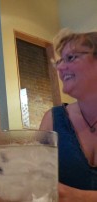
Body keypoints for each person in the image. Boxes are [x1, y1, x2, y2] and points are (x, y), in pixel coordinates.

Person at [40, 29, 97, 201]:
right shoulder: (52, 119)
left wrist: (75, 196)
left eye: (71, 58)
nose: (61, 68)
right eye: (59, 61)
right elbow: (34, 176)